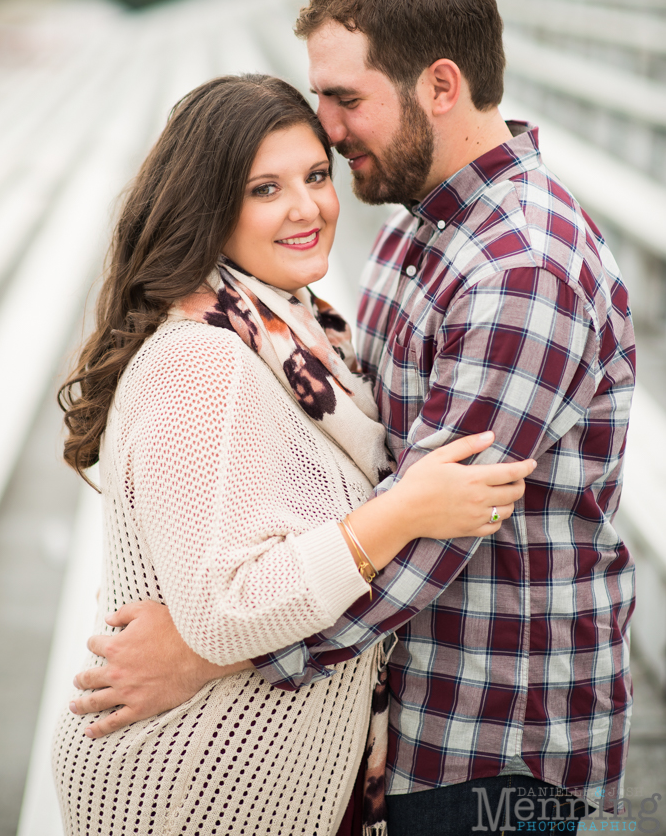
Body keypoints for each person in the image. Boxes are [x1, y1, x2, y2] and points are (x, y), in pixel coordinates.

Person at [70, 0, 636, 834]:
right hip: (406, 724)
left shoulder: (519, 274)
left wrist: (209, 651)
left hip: (494, 741)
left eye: (345, 99)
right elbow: (390, 497)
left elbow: (430, 539)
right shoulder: (414, 237)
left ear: (439, 85)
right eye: (268, 182)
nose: (328, 129)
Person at [54, 72, 533, 836]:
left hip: (248, 779)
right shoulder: (206, 360)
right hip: (192, 789)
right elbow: (225, 608)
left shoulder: (296, 333)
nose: (306, 208)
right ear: (209, 208)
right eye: (264, 189)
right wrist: (401, 512)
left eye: (315, 176)